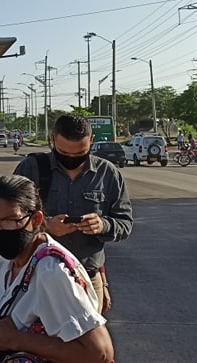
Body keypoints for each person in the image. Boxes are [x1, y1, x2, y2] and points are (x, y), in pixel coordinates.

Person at [0, 175, 113, 362]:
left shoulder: (51, 271)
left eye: (10, 221)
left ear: (36, 219)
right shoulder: (6, 262)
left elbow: (100, 353)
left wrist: (16, 340)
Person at [13, 115, 133, 313]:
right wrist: (46, 225)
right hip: (35, 277)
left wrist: (103, 225)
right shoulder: (31, 168)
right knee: (38, 341)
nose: (71, 159)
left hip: (87, 277)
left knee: (88, 343)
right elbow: (9, 219)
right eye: (63, 153)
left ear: (91, 141)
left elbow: (125, 223)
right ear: (52, 139)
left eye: (80, 153)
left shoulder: (108, 174)